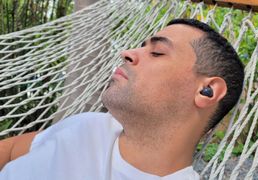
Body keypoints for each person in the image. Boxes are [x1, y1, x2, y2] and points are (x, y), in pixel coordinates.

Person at [0, 18, 244, 180]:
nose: (126, 53)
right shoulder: (89, 125)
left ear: (206, 90)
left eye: (157, 52)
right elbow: (10, 151)